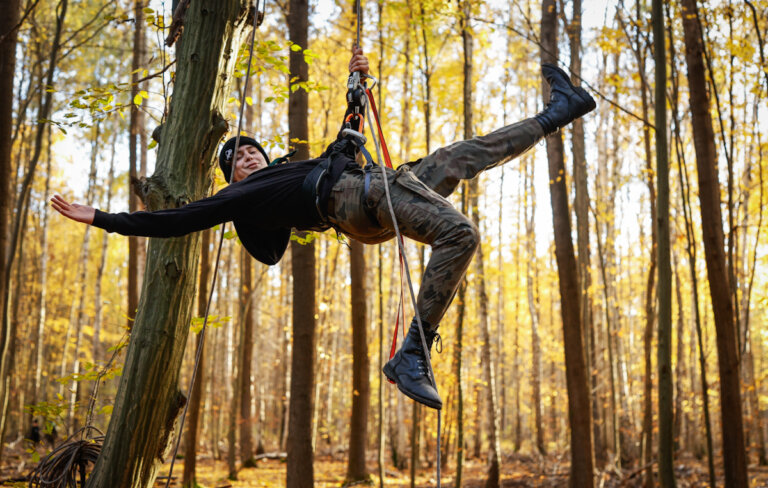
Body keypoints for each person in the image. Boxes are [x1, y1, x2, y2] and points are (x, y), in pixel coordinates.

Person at [52, 48, 595, 410]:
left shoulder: (294, 168)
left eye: (250, 148)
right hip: (361, 202)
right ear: (230, 176)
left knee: (460, 156)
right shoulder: (240, 198)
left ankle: (561, 111)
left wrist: (358, 82)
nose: (245, 155)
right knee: (463, 235)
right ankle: (414, 353)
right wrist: (102, 218)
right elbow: (174, 221)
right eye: (235, 156)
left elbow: (348, 133)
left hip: (376, 186)